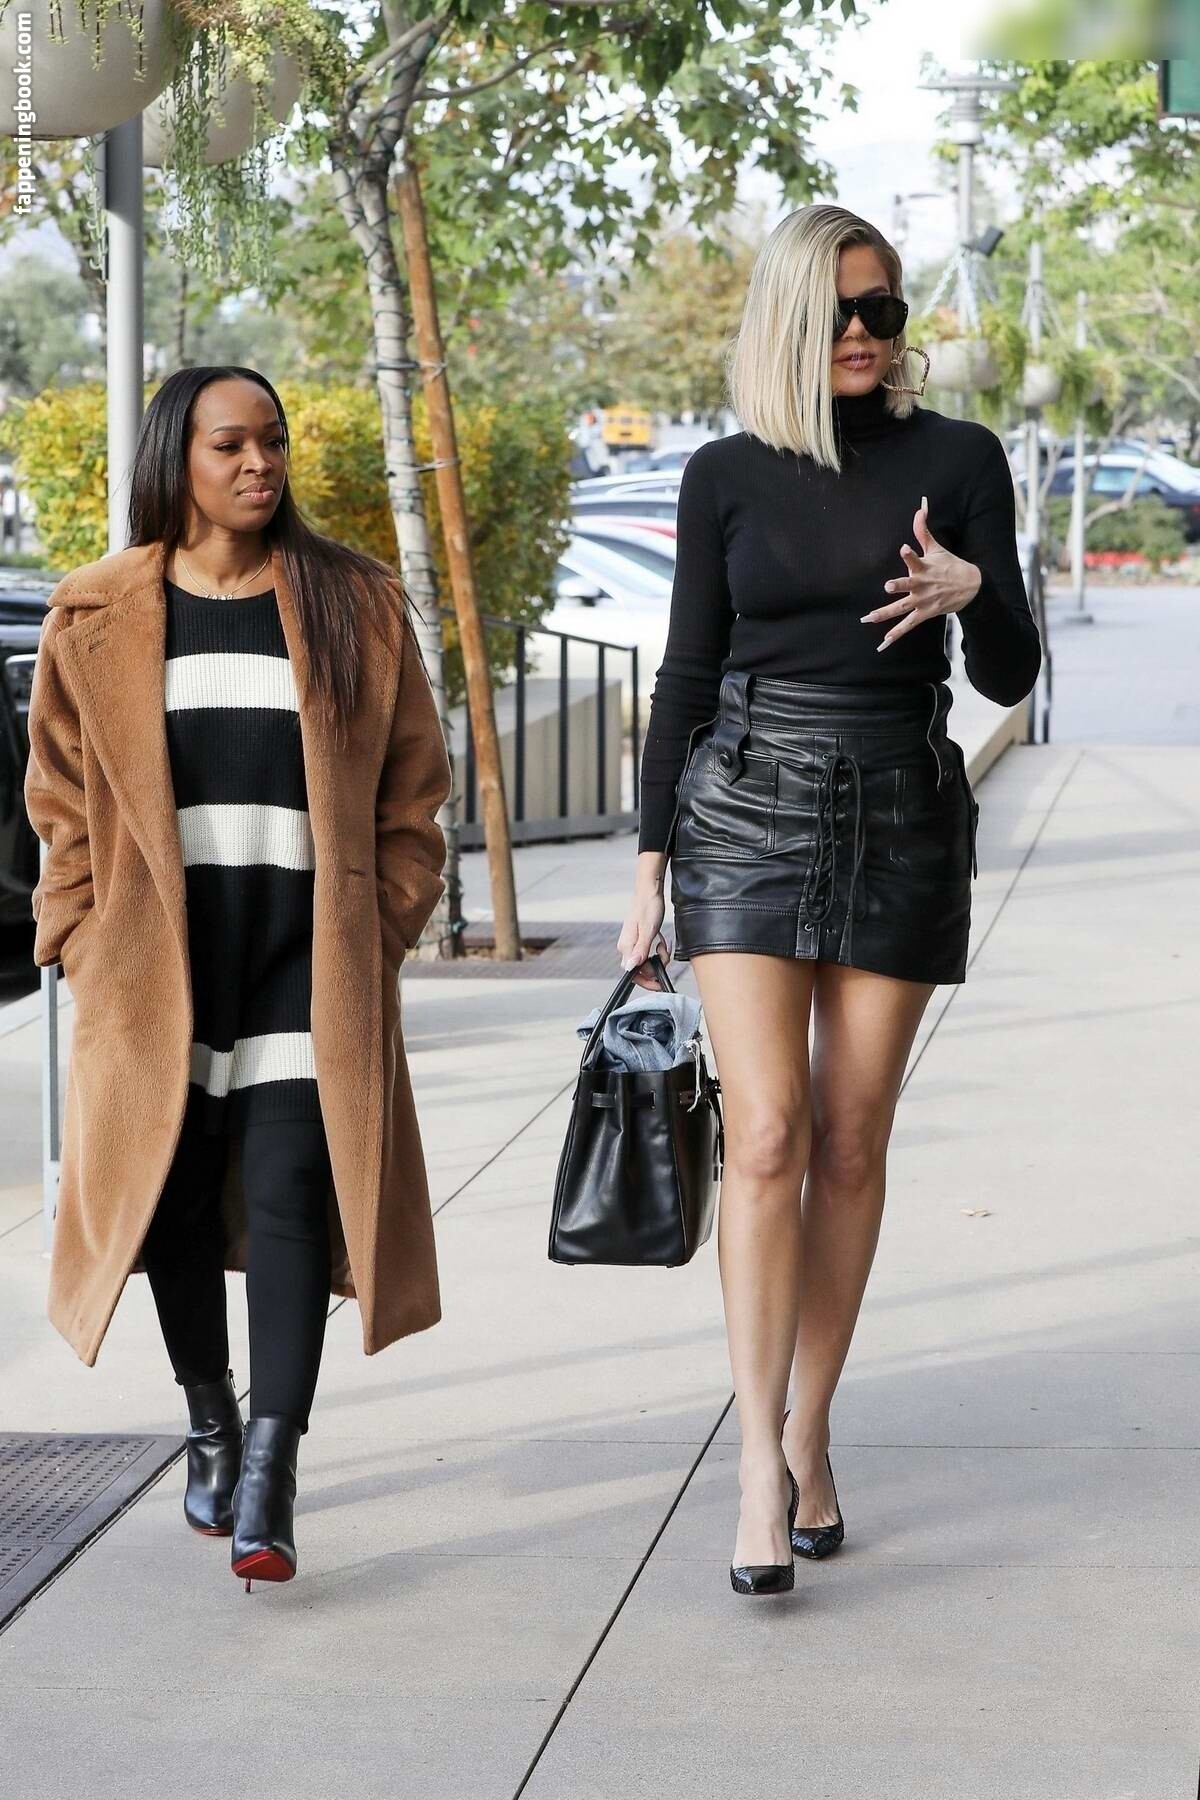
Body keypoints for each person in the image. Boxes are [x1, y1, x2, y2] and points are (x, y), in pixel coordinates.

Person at [618, 205, 1041, 1596]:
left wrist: (974, 590)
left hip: (901, 804)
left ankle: (811, 1428)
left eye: (884, 310)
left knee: (852, 1140)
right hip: (745, 805)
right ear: (790, 322)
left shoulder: (960, 459)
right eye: (840, 311)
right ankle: (756, 1461)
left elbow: (1009, 673)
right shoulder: (727, 474)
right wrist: (650, 861)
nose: (865, 333)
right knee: (765, 1136)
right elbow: (686, 670)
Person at [24, 365, 452, 1590]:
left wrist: (382, 927)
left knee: (290, 1191)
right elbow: (60, 803)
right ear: (179, 458)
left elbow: (415, 795)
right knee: (167, 1195)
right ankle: (210, 1415)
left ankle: (271, 1467)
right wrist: (80, 934)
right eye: (231, 445)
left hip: (306, 962)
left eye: (272, 441)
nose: (259, 464)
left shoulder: (353, 603)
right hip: (157, 967)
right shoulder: (96, 610)